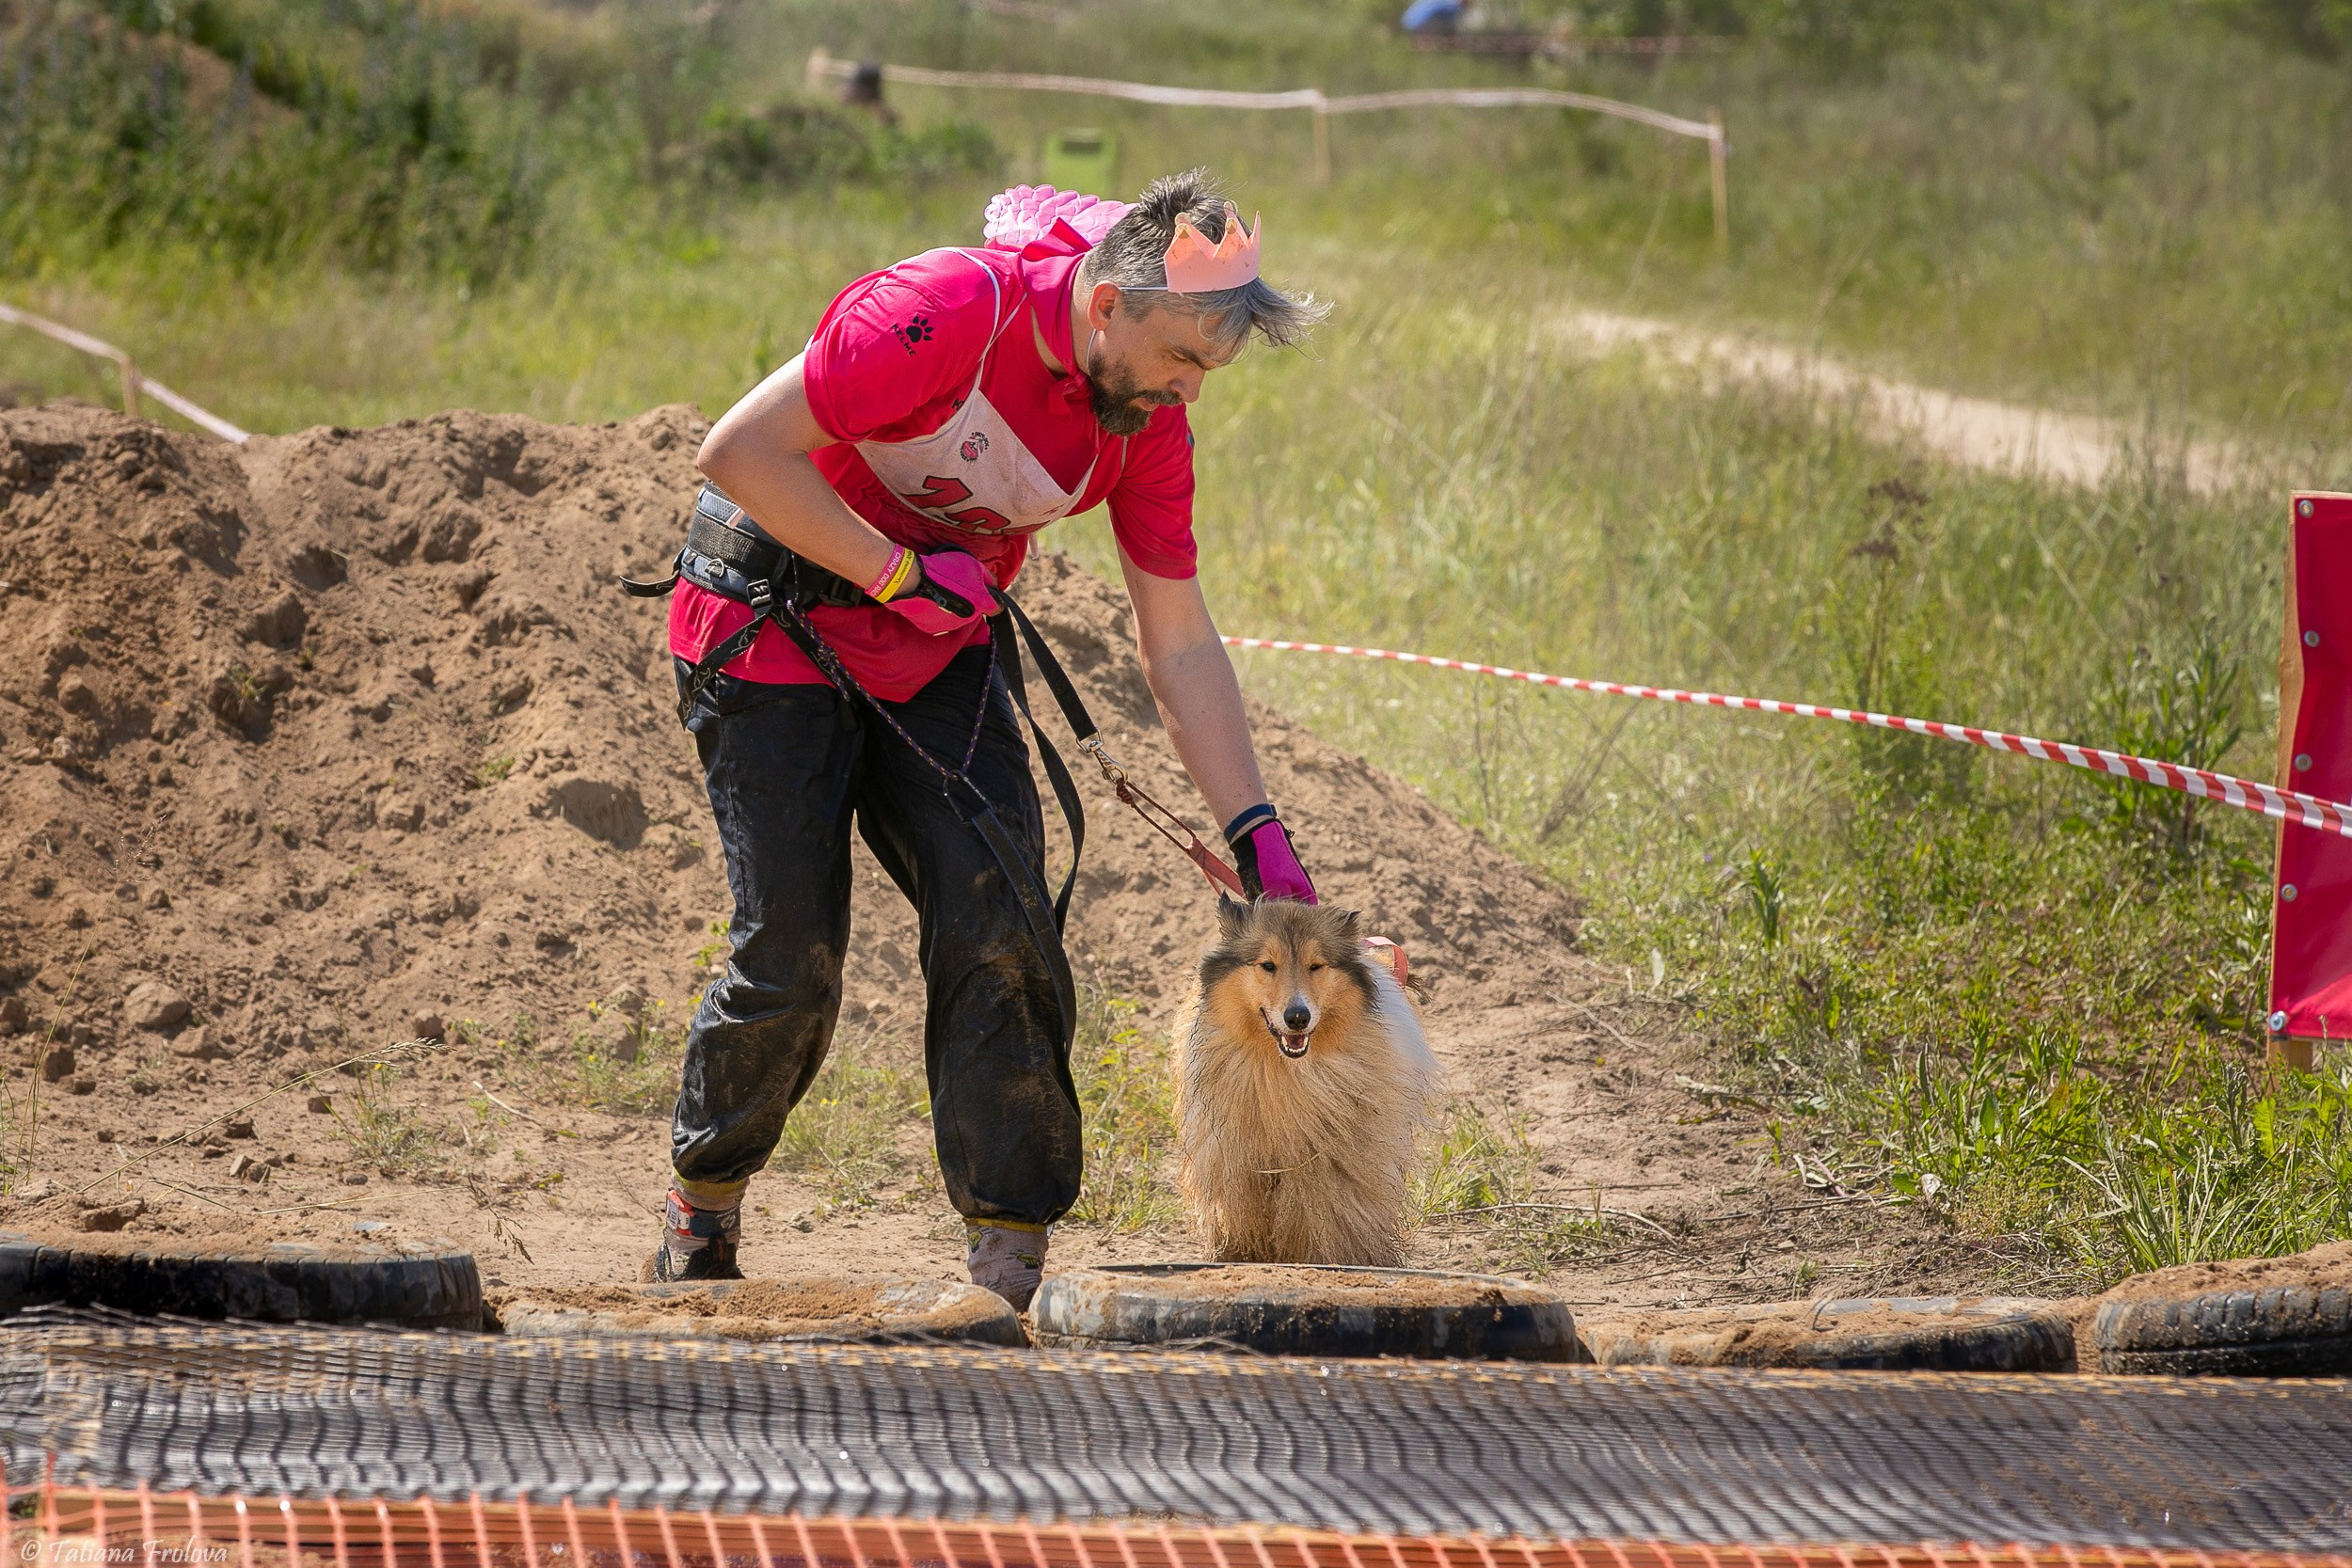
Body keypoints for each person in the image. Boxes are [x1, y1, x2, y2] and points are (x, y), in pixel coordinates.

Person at [642, 171, 1328, 1308]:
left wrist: (1257, 834)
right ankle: (702, 1204)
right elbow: (740, 452)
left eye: (1209, 371)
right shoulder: (944, 310)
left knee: (1003, 925)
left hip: (932, 641)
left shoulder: (1146, 424)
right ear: (1104, 305)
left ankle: (1007, 1265)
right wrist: (897, 573)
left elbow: (1178, 641)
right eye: (1181, 359)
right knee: (793, 949)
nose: (1189, 392)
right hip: (769, 618)